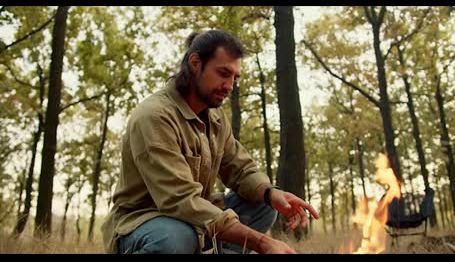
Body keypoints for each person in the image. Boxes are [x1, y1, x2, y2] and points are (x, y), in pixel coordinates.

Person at [101, 29, 319, 254]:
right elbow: (180, 201)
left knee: (264, 206)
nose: (230, 85)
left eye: (235, 77)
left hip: (195, 221)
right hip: (144, 225)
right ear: (195, 63)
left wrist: (271, 193)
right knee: (176, 238)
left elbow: (241, 169)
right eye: (223, 73)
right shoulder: (154, 116)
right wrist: (262, 242)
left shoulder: (215, 117)